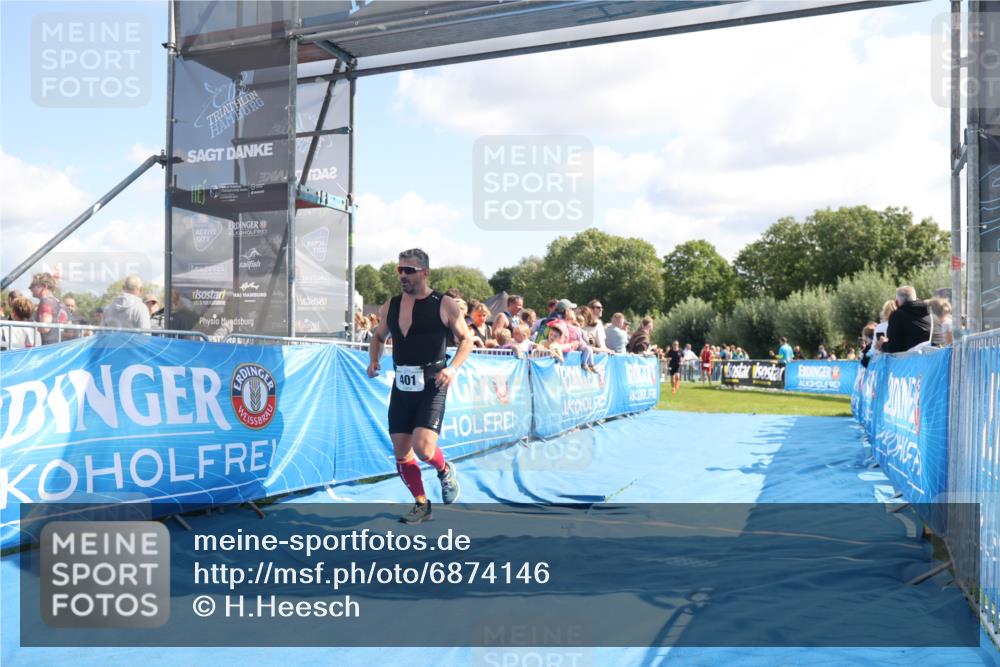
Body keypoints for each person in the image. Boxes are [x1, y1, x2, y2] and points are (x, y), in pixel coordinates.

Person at [367, 249, 470, 524]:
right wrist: (374, 360)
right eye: (399, 270)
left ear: (425, 272)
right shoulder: (392, 304)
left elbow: (466, 340)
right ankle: (421, 504)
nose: (403, 275)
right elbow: (378, 337)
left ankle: (444, 469)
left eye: (409, 271)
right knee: (401, 450)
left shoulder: (444, 303)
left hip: (433, 382)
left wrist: (453, 367)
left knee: (423, 448)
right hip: (402, 384)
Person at [884, 286, 932, 353]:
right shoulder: (930, 312)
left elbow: (893, 348)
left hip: (909, 359)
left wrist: (882, 345)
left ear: (897, 302)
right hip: (930, 357)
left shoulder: (897, 315)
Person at [28, 272, 69, 345]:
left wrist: (30, 327)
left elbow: (45, 328)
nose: (29, 288)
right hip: (60, 347)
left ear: (44, 286)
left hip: (48, 349)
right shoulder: (60, 303)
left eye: (33, 285)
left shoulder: (46, 302)